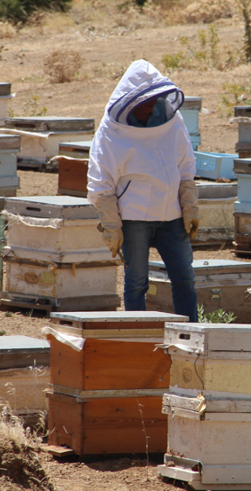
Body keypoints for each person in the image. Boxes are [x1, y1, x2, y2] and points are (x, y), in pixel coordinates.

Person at [87, 60, 199, 320]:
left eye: (153, 101)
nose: (149, 108)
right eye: (143, 103)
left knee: (185, 278)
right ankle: (138, 335)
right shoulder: (110, 131)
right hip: (134, 217)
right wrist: (112, 226)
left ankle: (192, 334)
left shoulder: (172, 121)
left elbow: (185, 164)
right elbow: (100, 181)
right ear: (129, 102)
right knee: (136, 282)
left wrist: (190, 204)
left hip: (171, 214)